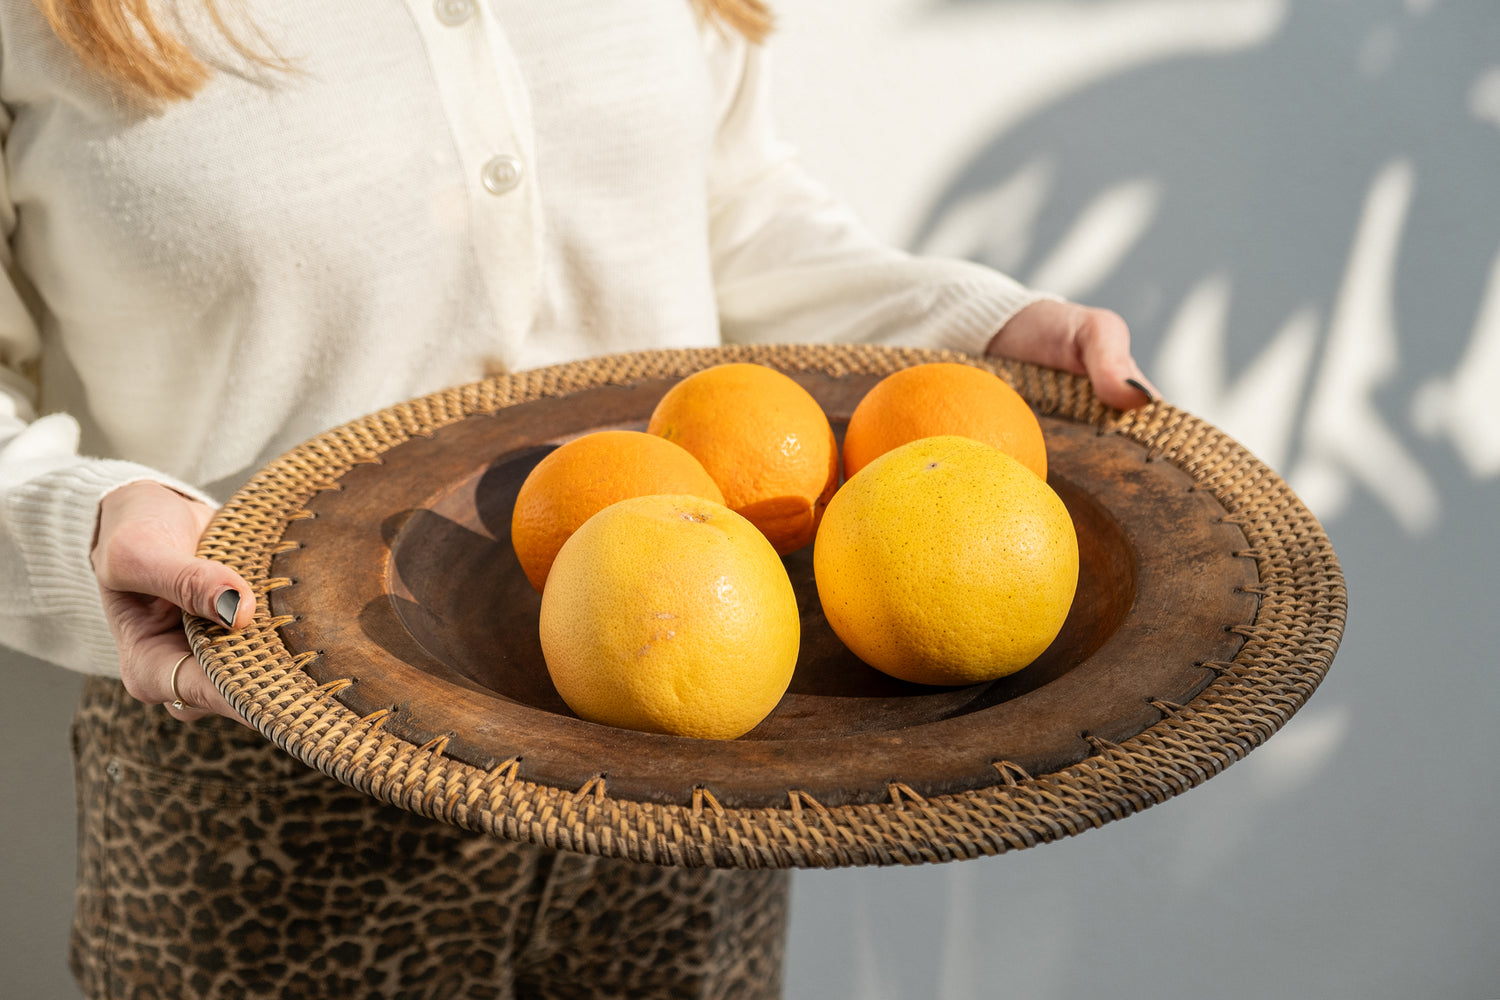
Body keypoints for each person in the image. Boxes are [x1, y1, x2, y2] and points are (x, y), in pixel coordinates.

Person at [1, 1, 1157, 997]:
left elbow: (732, 214)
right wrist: (82, 518)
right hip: (260, 762)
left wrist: (961, 335)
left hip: (693, 723)